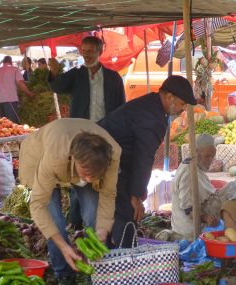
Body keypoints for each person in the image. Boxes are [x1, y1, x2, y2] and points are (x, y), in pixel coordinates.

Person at [98, 75, 196, 248]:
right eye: (182, 103)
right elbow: (143, 157)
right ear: (169, 97)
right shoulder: (154, 118)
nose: (184, 108)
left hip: (110, 160)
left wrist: (137, 193)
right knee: (127, 213)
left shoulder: (151, 105)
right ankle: (123, 261)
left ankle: (110, 255)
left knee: (115, 212)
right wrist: (136, 195)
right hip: (104, 161)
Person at [19, 118, 121, 284]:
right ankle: (64, 274)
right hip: (41, 154)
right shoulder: (54, 156)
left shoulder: (112, 155)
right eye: (86, 173)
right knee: (54, 219)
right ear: (74, 158)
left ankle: (97, 273)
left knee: (93, 213)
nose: (88, 179)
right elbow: (38, 205)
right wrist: (64, 247)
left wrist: (102, 231)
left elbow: (108, 195)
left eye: (94, 176)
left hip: (86, 157)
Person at [48, 36, 125, 231]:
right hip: (81, 135)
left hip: (105, 135)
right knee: (79, 177)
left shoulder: (113, 78)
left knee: (98, 176)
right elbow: (57, 87)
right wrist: (54, 72)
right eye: (84, 51)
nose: (87, 54)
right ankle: (76, 219)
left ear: (100, 52)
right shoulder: (76, 75)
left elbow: (121, 108)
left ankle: (95, 218)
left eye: (91, 51)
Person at [170, 134, 221, 241]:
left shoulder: (195, 166)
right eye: (207, 156)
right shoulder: (189, 171)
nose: (211, 160)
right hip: (188, 234)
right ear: (196, 152)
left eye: (213, 156)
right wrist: (206, 218)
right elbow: (188, 208)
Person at [0, 56, 34, 123]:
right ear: (11, 62)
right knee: (12, 125)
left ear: (3, 62)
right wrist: (29, 93)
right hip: (11, 101)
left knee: (1, 126)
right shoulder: (15, 69)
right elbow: (20, 83)